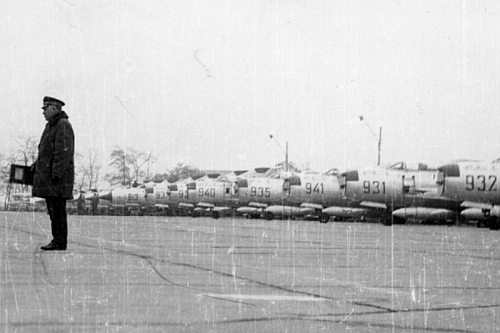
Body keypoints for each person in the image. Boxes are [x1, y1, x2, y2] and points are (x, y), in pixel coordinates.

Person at [32, 96, 75, 251]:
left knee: (57, 211)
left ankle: (59, 241)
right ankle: (57, 240)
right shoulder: (52, 126)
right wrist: (36, 166)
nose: (43, 112)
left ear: (54, 108)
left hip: (57, 179)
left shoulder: (62, 125)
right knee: (53, 211)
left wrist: (56, 175)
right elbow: (46, 153)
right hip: (52, 179)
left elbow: (63, 153)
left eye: (45, 108)